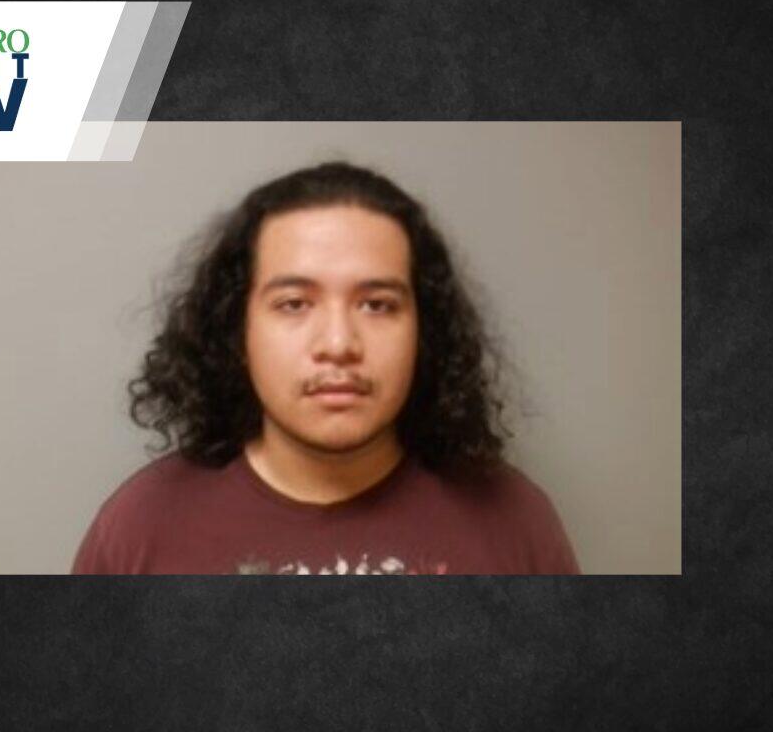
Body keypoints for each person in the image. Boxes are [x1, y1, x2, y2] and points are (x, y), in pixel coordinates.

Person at [72, 161, 579, 574]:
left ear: (424, 331)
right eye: (294, 304)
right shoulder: (141, 529)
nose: (338, 344)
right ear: (237, 331)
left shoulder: (517, 525)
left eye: (377, 305)